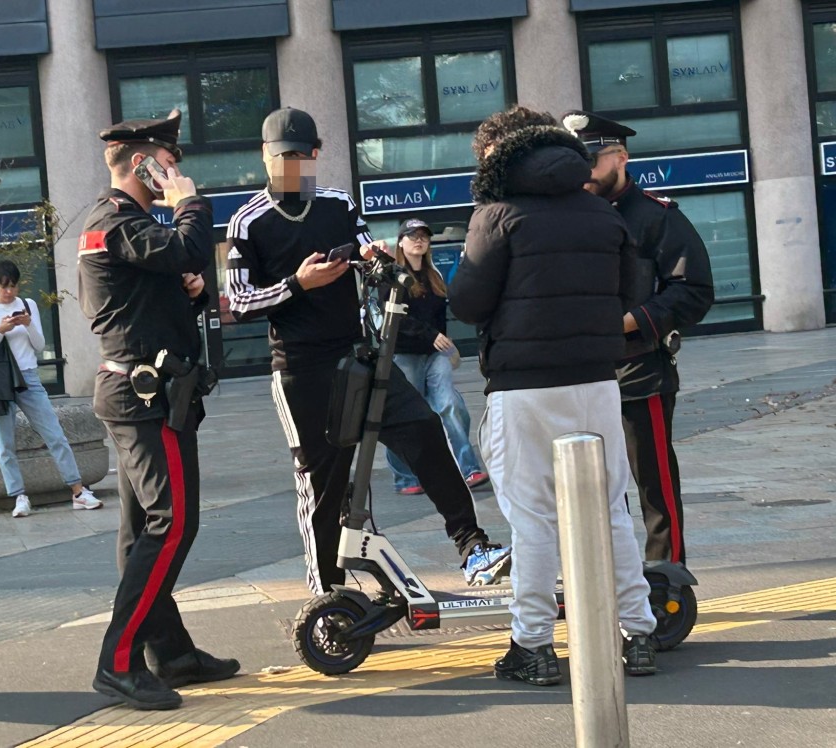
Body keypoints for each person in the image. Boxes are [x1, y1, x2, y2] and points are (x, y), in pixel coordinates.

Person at [225, 107, 510, 595]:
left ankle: (473, 546)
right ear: (266, 157)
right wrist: (298, 283)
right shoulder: (247, 221)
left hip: (359, 354)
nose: (292, 165)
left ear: (316, 154)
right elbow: (237, 300)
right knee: (323, 481)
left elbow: (364, 250)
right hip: (300, 368)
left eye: (301, 155)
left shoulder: (338, 203)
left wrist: (370, 257)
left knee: (426, 434)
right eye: (283, 157)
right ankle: (328, 593)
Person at [450, 106, 657, 686]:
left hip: (523, 387)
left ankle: (533, 645)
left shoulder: (497, 215)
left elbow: (467, 302)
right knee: (612, 509)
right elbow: (626, 290)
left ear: (498, 157)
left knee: (534, 520)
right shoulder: (600, 212)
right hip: (596, 380)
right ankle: (638, 634)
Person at [78, 110, 239, 711]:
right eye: (169, 161)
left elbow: (161, 282)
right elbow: (190, 244)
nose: (177, 171)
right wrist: (190, 205)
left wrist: (189, 288)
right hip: (142, 398)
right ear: (142, 162)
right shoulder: (116, 219)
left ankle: (169, 653)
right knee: (170, 524)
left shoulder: (131, 225)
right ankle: (117, 663)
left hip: (146, 394)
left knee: (140, 529)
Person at [562, 111, 715, 566]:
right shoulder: (564, 217)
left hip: (638, 370)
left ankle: (668, 584)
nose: (584, 171)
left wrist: (629, 322)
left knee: (655, 485)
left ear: (621, 158)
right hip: (578, 374)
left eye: (591, 160)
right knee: (593, 491)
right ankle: (610, 583)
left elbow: (693, 291)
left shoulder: (655, 216)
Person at [0, 260, 103, 518]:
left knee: (55, 434)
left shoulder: (28, 305)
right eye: (4, 286)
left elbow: (40, 345)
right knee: (5, 444)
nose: (9, 292)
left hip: (29, 377)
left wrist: (28, 324)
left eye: (13, 286)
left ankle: (78, 491)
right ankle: (19, 497)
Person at [382, 217, 489, 496]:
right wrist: (431, 335)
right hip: (405, 355)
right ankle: (405, 477)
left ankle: (468, 469)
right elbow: (396, 320)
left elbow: (439, 317)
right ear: (401, 243)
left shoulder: (435, 277)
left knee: (450, 404)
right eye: (412, 236)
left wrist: (442, 341)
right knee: (404, 416)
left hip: (434, 355)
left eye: (424, 236)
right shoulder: (393, 277)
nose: (419, 240)